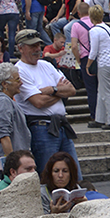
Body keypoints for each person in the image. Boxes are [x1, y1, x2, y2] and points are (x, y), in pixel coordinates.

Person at [14, 28, 77, 168]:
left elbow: (72, 90)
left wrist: (51, 90)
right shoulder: (19, 70)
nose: (37, 49)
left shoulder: (47, 65)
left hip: (61, 125)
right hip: (41, 128)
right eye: (32, 46)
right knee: (47, 173)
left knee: (73, 173)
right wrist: (60, 93)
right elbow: (38, 102)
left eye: (38, 45)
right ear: (20, 48)